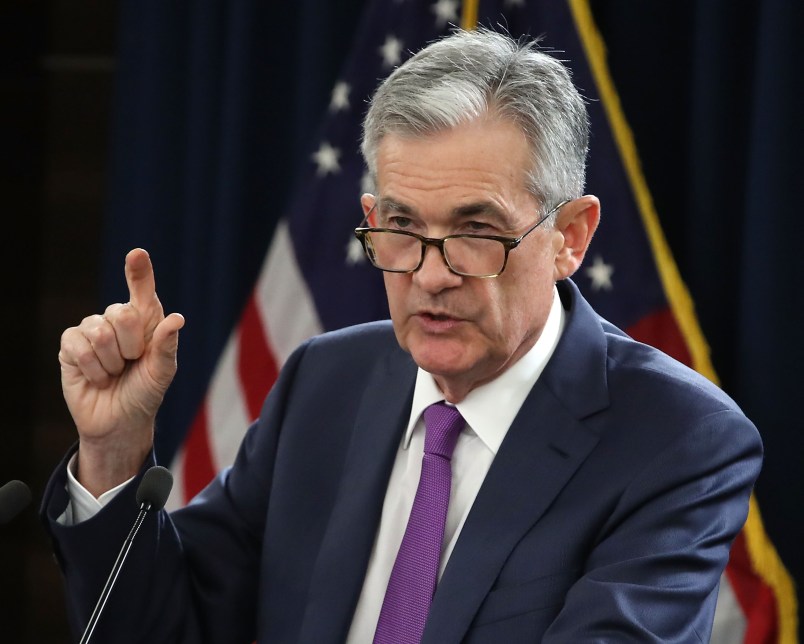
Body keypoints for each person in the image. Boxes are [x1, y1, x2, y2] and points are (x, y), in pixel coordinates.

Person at [43, 29, 762, 643]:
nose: (430, 274)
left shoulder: (677, 439)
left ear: (570, 237)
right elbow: (165, 627)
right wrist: (112, 452)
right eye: (404, 226)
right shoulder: (325, 382)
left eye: (476, 232)